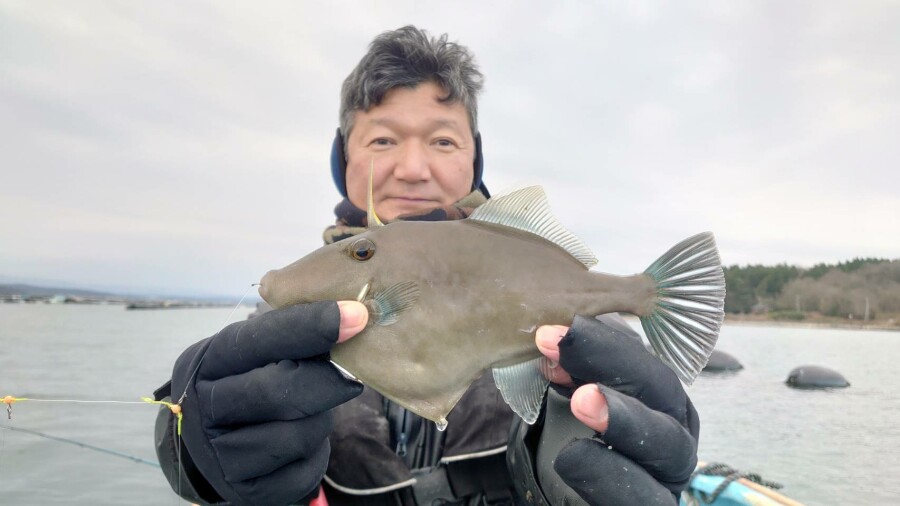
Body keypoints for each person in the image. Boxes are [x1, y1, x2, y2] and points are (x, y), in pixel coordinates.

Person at [153, 26, 699, 506]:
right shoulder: (286, 327)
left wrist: (630, 450)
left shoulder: (588, 335)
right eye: (384, 139)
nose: (413, 169)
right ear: (344, 158)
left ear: (473, 159)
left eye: (442, 140)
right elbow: (218, 427)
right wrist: (194, 455)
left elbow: (591, 385)